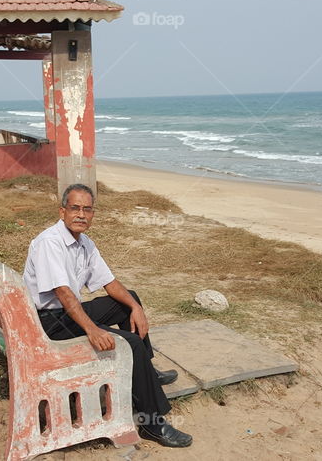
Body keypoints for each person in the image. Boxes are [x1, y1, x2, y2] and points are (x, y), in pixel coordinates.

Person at [23, 183, 193, 448]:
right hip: (49, 322)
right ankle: (152, 424)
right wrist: (92, 329)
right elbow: (64, 293)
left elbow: (109, 283)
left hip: (66, 313)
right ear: (62, 211)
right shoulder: (50, 243)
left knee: (129, 299)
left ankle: (145, 368)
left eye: (87, 209)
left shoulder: (84, 243)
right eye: (75, 208)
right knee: (130, 343)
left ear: (93, 214)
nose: (81, 214)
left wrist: (136, 308)